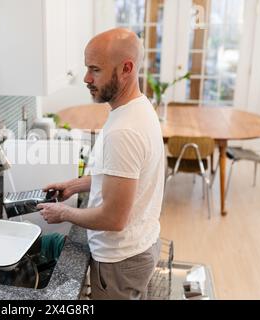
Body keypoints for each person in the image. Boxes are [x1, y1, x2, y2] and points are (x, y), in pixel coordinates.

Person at [37, 28, 165, 300]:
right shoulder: (136, 108)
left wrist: (63, 213)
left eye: (95, 69)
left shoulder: (124, 131)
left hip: (120, 261)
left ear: (126, 69)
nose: (86, 78)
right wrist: (75, 185)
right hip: (137, 246)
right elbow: (124, 177)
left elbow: (113, 218)